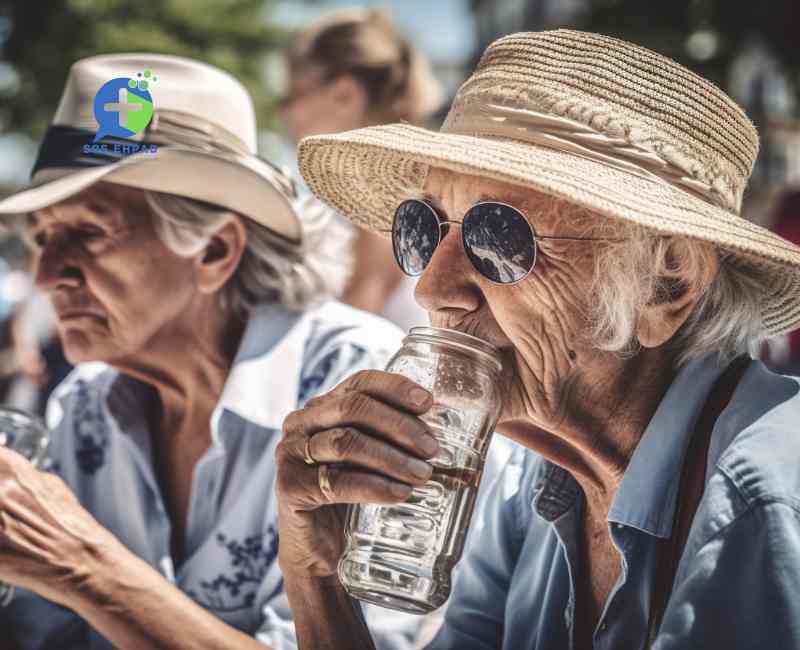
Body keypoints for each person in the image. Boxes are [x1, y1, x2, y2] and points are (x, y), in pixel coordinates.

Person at [276, 29, 800, 649]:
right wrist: (315, 577)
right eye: (422, 228)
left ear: (667, 284)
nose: (434, 287)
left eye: (498, 237)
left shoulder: (762, 499)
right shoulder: (538, 481)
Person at [0, 53, 403, 650]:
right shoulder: (83, 403)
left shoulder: (357, 387)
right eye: (42, 238)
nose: (49, 272)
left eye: (89, 232)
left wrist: (85, 567)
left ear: (215, 252)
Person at [282, 8, 442, 332]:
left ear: (345, 94)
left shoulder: (373, 205)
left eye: (293, 94)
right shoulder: (413, 188)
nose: (285, 111)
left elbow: (329, 344)